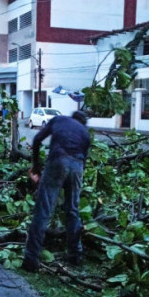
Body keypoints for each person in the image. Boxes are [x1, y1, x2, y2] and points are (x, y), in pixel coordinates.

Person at [22, 110, 91, 272]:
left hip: (57, 160)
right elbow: (84, 161)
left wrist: (37, 167)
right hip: (77, 167)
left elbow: (37, 139)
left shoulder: (59, 119)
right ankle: (75, 255)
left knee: (43, 210)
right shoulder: (85, 133)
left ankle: (31, 259)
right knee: (73, 210)